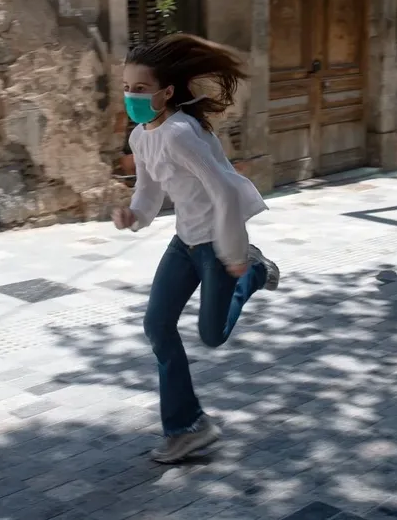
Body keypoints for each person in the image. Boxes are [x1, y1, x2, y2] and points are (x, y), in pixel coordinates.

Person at [112, 33, 280, 464]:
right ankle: (188, 427)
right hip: (185, 240)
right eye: (127, 87)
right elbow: (149, 193)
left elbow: (225, 192)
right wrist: (133, 215)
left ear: (166, 92)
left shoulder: (180, 133)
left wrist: (236, 256)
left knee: (212, 335)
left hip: (217, 242)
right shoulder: (141, 137)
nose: (131, 95)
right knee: (157, 326)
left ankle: (257, 272)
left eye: (140, 88)